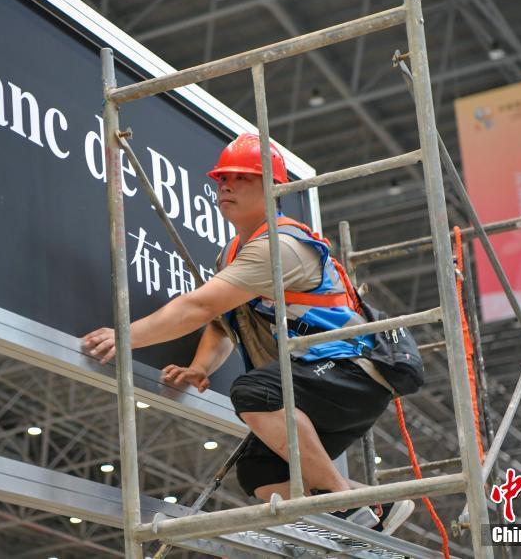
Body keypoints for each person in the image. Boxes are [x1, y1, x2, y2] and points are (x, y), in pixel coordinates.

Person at [82, 133, 413, 533]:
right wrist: (199, 366)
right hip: (320, 382)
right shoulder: (234, 250)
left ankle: (344, 506)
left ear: (272, 187)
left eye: (242, 177)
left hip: (350, 372)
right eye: (222, 178)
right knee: (257, 473)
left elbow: (199, 306)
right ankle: (374, 507)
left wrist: (125, 336)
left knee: (255, 392)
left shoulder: (279, 246)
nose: (225, 186)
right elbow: (221, 322)